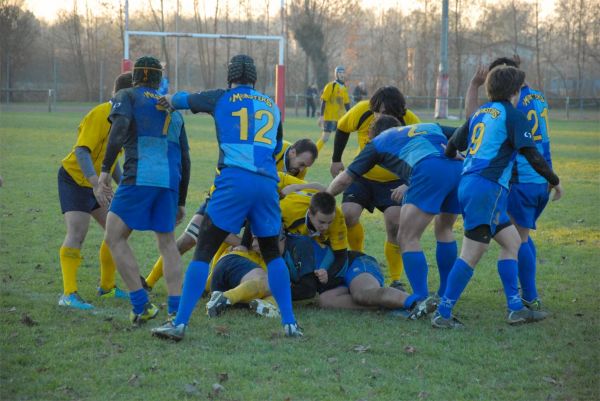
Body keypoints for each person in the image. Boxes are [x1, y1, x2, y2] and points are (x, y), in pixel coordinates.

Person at [151, 54, 301, 341]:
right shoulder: (272, 106)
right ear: (256, 79)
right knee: (271, 253)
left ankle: (180, 323)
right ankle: (290, 324)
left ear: (229, 77)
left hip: (234, 180)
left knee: (204, 250)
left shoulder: (221, 97)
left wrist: (166, 98)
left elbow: (183, 99)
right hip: (267, 183)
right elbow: (278, 146)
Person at [433, 65, 562, 328]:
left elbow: (452, 144)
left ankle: (515, 307)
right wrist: (555, 181)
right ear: (515, 91)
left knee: (512, 242)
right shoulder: (513, 116)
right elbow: (532, 155)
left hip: (471, 184)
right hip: (487, 188)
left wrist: (452, 157)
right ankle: (443, 314)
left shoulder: (481, 113)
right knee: (472, 253)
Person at [328, 116, 462, 318]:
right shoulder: (428, 125)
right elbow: (466, 132)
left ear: (372, 134)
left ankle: (420, 299)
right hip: (458, 169)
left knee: (407, 237)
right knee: (444, 229)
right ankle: (445, 294)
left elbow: (345, 179)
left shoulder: (379, 142)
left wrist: (324, 197)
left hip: (428, 171)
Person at [142, 138, 318, 291]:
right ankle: (149, 281)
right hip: (228, 196)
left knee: (227, 243)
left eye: (305, 166)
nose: (301, 169)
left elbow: (289, 194)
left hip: (254, 205)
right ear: (292, 152)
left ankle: (211, 285)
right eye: (302, 164)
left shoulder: (299, 170)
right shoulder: (271, 149)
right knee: (190, 239)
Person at [98, 56, 191, 325]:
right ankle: (176, 309)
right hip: (169, 181)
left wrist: (105, 170)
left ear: (136, 76)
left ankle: (141, 305)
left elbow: (119, 129)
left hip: (140, 174)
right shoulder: (172, 109)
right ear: (159, 79)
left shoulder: (127, 95)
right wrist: (181, 199)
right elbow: (185, 158)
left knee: (114, 236)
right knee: (167, 244)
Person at [465, 57, 562, 311]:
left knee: (516, 240)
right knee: (521, 237)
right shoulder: (538, 97)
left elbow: (471, 121)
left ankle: (528, 297)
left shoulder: (510, 105)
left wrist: (473, 87)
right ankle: (528, 296)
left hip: (521, 178)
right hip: (540, 179)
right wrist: (550, 176)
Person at [330, 86, 421, 289]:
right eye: (379, 112)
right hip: (362, 176)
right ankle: (359, 259)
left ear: (400, 113)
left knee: (395, 222)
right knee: (348, 214)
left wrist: (408, 183)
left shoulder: (411, 121)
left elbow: (421, 152)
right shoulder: (362, 111)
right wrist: (336, 159)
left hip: (394, 181)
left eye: (389, 114)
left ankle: (396, 278)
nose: (382, 117)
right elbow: (343, 127)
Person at [57, 72, 132, 310]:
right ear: (125, 95)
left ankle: (107, 288)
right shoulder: (101, 114)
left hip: (99, 183)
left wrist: (125, 184)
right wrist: (95, 183)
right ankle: (68, 295)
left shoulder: (125, 119)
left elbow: (113, 160)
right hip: (74, 179)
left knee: (116, 230)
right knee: (77, 232)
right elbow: (82, 151)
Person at [279, 191, 348, 300]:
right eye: (321, 222)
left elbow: (341, 255)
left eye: (329, 222)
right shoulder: (288, 208)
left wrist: (327, 276)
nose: (326, 227)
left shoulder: (337, 217)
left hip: (309, 244)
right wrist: (244, 245)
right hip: (290, 240)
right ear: (310, 214)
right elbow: (257, 216)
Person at [317, 66, 350, 150]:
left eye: (343, 72)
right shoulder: (330, 86)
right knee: (325, 138)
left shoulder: (344, 88)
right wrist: (321, 116)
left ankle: (336, 160)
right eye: (340, 72)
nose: (342, 74)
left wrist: (350, 115)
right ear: (336, 74)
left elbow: (347, 104)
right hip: (330, 117)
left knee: (340, 139)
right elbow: (324, 101)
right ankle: (314, 152)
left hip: (340, 118)